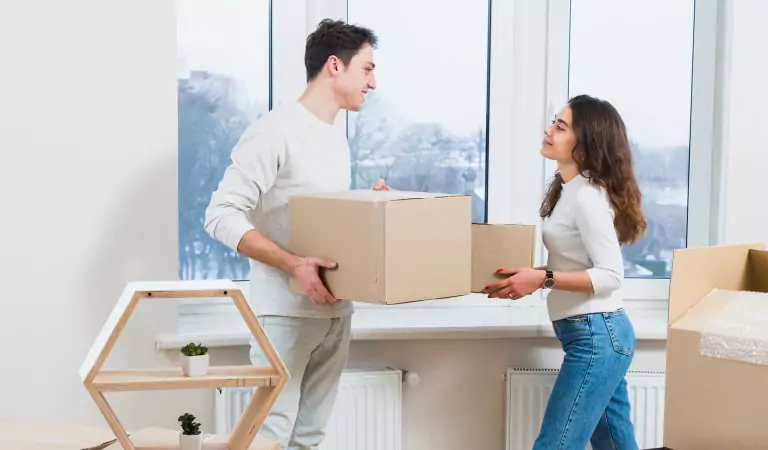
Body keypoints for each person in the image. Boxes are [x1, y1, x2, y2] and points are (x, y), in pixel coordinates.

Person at [204, 19, 384, 449]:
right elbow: (220, 214)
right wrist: (293, 266)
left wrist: (374, 206)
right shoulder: (274, 131)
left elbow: (319, 217)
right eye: (367, 69)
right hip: (283, 314)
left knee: (310, 437)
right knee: (268, 436)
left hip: (335, 312)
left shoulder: (335, 137)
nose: (373, 82)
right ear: (335, 66)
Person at [486, 94, 646, 449]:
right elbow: (574, 264)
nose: (548, 130)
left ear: (586, 142)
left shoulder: (589, 197)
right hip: (596, 335)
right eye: (553, 122)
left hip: (597, 336)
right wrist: (532, 277)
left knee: (555, 445)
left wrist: (543, 279)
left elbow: (610, 276)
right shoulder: (567, 190)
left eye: (560, 126)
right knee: (615, 445)